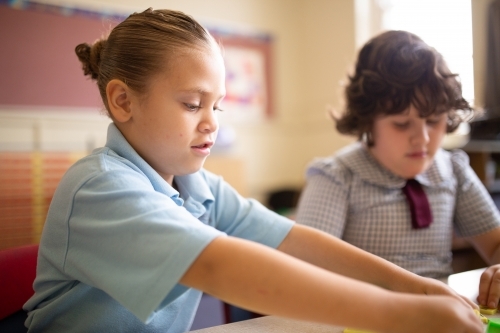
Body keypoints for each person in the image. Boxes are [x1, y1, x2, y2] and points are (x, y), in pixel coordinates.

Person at [23, 11, 483, 333]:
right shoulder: (100, 185)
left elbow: (295, 240)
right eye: (191, 104)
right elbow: (219, 265)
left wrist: (415, 288)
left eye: (217, 105)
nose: (212, 122)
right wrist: (401, 315)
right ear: (123, 101)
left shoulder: (196, 186)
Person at [295, 30, 500, 313]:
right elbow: (304, 270)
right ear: (368, 121)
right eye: (402, 124)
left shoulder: (453, 170)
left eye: (434, 121)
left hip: (438, 317)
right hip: (364, 315)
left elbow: (495, 244)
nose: (423, 139)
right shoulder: (337, 176)